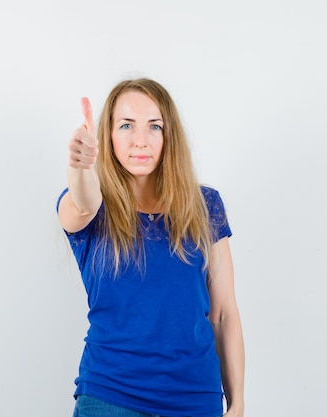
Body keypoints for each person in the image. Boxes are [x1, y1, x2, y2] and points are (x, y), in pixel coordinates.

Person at [57, 78, 245, 417]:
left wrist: (238, 403)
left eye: (154, 126)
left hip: (196, 399)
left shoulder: (205, 205)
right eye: (126, 125)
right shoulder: (91, 207)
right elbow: (83, 203)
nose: (140, 140)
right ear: (108, 135)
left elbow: (223, 314)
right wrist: (79, 166)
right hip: (110, 396)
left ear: (168, 134)